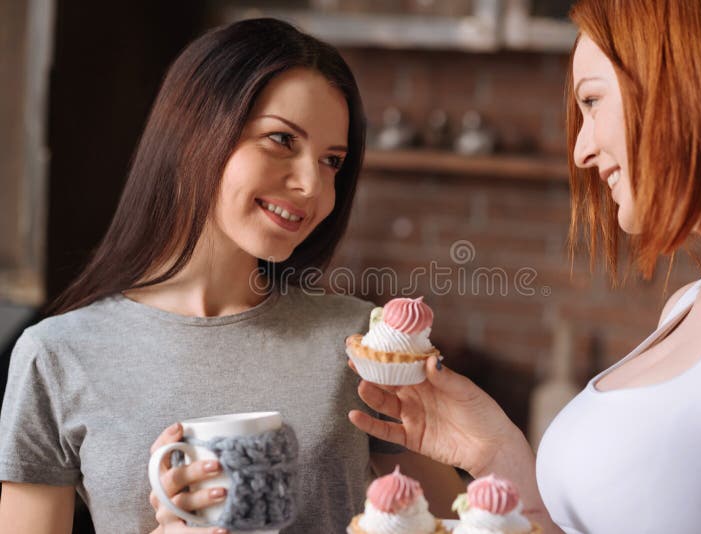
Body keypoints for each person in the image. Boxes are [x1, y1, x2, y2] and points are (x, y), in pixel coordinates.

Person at [348, 1, 701, 532]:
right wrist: (494, 451)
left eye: (592, 100)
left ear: (683, 82)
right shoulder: (690, 303)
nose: (582, 150)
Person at [0, 18, 463, 534]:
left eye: (333, 161)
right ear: (195, 131)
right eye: (281, 139)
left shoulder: (359, 342)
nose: (313, 186)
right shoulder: (57, 355)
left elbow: (469, 523)